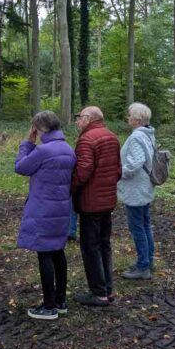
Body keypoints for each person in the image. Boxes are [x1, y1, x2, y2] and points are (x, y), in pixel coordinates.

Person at [15, 111, 77, 321]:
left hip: (43, 209)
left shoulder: (43, 150)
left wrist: (27, 143)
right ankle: (60, 301)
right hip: (61, 209)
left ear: (39, 129)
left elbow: (21, 167)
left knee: (44, 254)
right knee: (58, 252)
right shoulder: (68, 149)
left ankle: (49, 306)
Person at [71, 106, 121, 307]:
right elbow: (118, 170)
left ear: (89, 118)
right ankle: (107, 289)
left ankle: (98, 293)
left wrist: (70, 188)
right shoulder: (111, 136)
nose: (76, 121)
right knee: (104, 245)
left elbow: (83, 171)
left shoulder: (87, 139)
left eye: (79, 117)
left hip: (91, 203)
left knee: (91, 248)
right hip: (107, 200)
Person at [117, 103, 156, 280]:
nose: (128, 118)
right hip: (144, 186)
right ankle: (148, 260)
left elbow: (135, 163)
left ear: (137, 120)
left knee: (137, 227)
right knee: (145, 224)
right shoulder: (148, 134)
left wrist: (118, 173)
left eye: (130, 115)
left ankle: (143, 266)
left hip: (136, 188)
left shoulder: (136, 137)